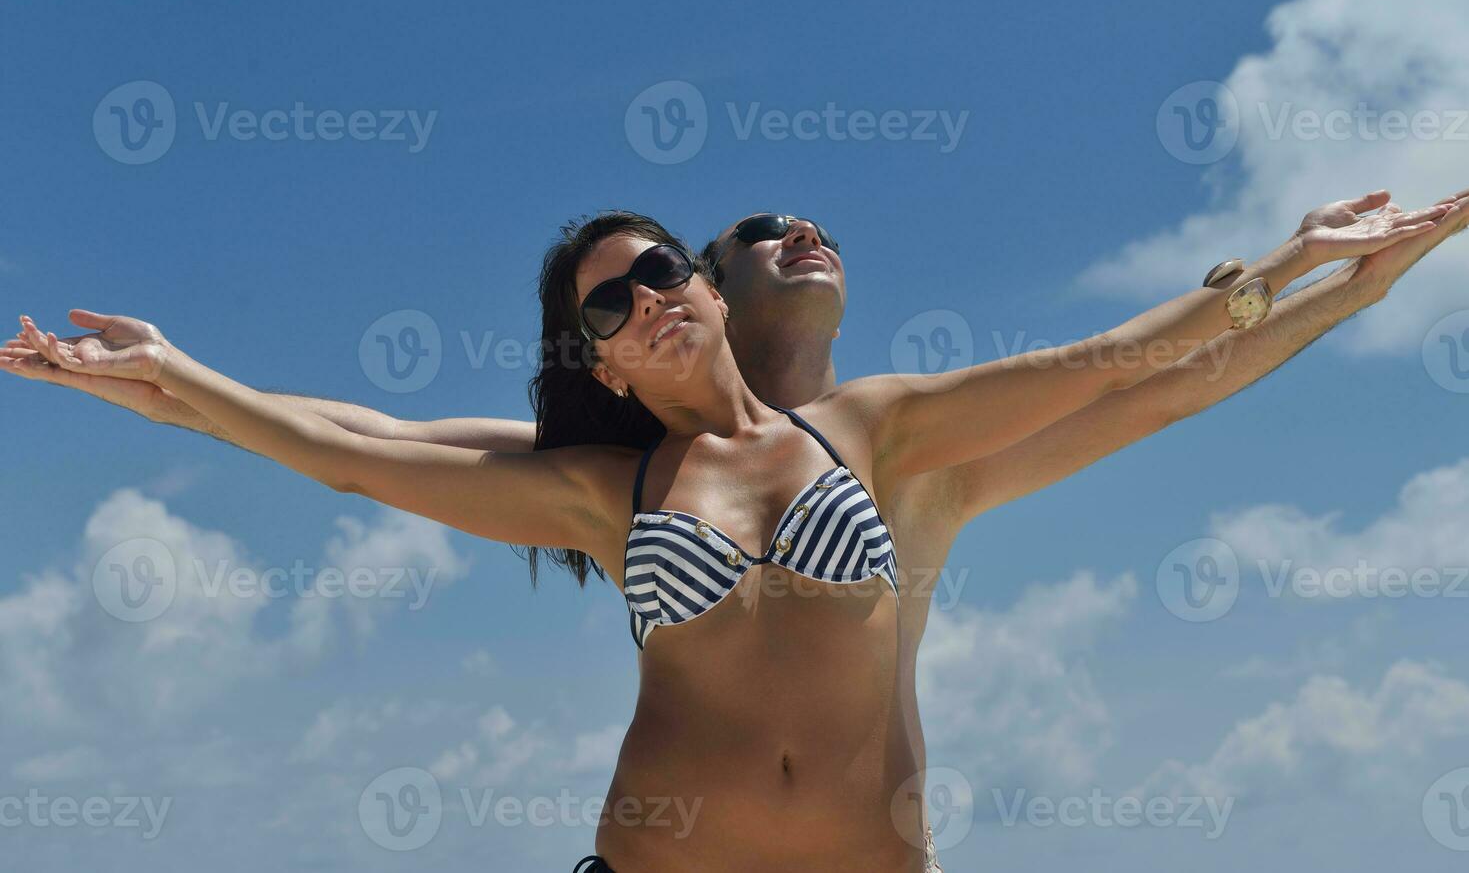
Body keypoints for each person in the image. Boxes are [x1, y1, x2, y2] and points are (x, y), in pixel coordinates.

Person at [4, 194, 1464, 872]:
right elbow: (347, 454)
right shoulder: (607, 491)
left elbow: (1111, 371)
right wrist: (174, 379)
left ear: (698, 289)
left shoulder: (877, 435)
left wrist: (1315, 275)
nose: (642, 295)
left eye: (654, 268)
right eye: (605, 304)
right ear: (601, 365)